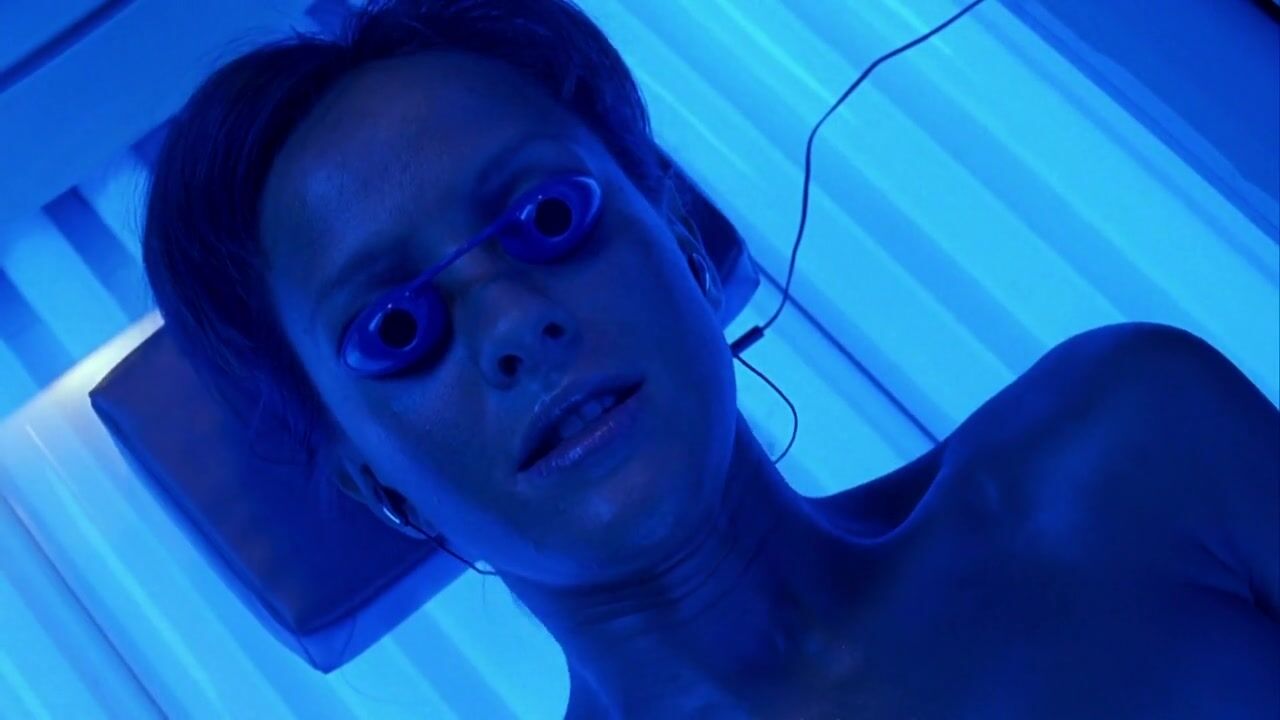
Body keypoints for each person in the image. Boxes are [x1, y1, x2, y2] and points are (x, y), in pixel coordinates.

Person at [141, 0, 1279, 717]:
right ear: (376, 483)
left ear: (683, 241)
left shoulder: (1140, 453)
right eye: (396, 327)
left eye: (547, 217)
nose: (511, 322)